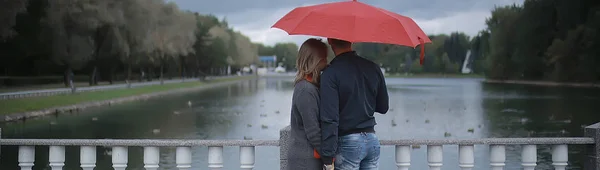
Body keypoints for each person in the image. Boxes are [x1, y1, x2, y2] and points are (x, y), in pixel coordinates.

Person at [320, 38, 389, 170]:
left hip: (348, 143)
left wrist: (328, 157)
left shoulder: (330, 74)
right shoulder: (373, 67)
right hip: (371, 140)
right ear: (351, 41)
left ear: (330, 41)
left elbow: (330, 119)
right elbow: (383, 107)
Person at [288, 38, 329, 170]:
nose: (327, 62)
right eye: (324, 58)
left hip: (308, 158)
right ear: (316, 60)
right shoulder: (306, 90)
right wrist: (328, 157)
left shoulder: (311, 86)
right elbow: (313, 131)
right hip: (305, 161)